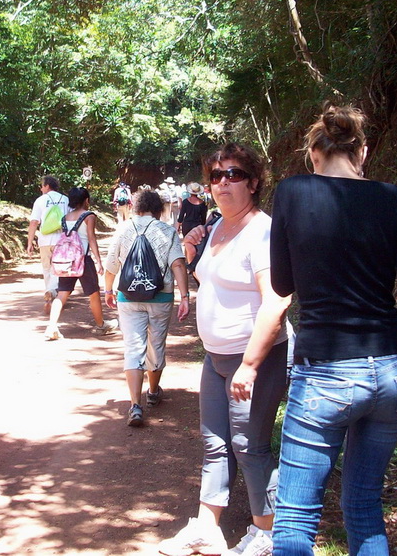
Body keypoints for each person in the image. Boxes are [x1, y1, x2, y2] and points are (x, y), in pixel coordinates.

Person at [269, 104, 397, 555]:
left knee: (295, 517)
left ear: (314, 153)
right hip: (391, 374)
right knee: (364, 506)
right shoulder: (396, 199)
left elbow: (282, 284)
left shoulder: (292, 192)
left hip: (324, 374)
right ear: (362, 152)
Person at [159, 144, 290, 556]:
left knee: (249, 446)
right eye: (215, 176)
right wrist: (192, 247)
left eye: (233, 174)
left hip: (254, 358)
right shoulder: (216, 227)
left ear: (253, 182)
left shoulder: (263, 231)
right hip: (216, 358)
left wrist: (250, 364)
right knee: (214, 443)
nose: (222, 183)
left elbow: (277, 301)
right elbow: (214, 281)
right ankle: (207, 529)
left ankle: (266, 534)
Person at [104, 190, 190, 427]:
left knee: (133, 348)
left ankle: (135, 405)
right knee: (156, 344)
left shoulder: (123, 229)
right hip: (160, 297)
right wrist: (184, 296)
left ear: (137, 207)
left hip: (129, 297)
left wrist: (108, 290)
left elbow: (111, 263)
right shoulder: (167, 231)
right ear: (159, 209)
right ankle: (152, 392)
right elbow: (178, 264)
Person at [44, 187, 119, 341]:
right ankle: (101, 325)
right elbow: (91, 238)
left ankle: (51, 327)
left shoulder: (65, 218)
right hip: (84, 259)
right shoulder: (89, 216)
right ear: (86, 200)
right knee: (93, 293)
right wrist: (98, 261)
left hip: (67, 261)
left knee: (62, 293)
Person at [27, 176, 69, 313]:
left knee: (46, 267)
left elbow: (34, 222)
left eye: (42, 186)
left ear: (47, 186)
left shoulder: (40, 200)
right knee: (59, 268)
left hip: (45, 240)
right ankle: (54, 293)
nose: (41, 189)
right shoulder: (65, 199)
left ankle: (49, 292)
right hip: (61, 239)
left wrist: (29, 242)